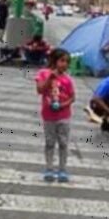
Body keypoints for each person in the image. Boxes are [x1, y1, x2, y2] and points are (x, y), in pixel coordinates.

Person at [35, 48, 75, 183]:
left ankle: (62, 169)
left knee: (63, 143)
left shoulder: (67, 79)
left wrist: (63, 105)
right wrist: (50, 79)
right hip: (48, 116)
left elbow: (72, 97)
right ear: (54, 60)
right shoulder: (43, 73)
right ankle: (49, 168)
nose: (65, 64)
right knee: (50, 142)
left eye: (67, 62)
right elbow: (40, 89)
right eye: (62, 61)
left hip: (64, 116)